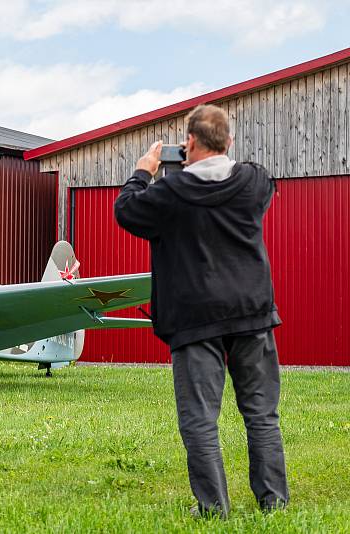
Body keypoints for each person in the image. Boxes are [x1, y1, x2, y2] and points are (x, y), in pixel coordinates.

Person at [113, 104, 289, 518]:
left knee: (201, 420)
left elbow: (127, 211)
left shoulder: (169, 195)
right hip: (252, 313)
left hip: (194, 319)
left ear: (188, 143)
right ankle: (275, 504)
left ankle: (214, 509)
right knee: (261, 414)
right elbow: (263, 181)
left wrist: (144, 170)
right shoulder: (252, 182)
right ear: (229, 142)